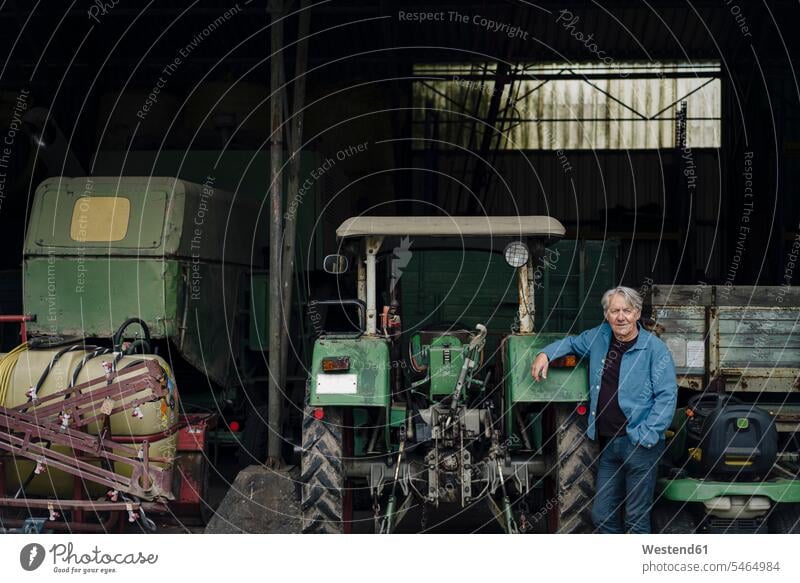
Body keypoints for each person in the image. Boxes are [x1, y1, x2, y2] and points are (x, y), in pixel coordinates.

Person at [530, 286, 677, 533]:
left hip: (640, 445)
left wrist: (646, 435)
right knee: (601, 516)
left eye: (626, 311)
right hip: (610, 445)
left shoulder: (655, 349)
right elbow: (573, 343)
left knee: (636, 519)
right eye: (614, 311)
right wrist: (545, 353)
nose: (621, 317)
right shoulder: (599, 337)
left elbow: (667, 395)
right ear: (607, 315)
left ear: (637, 313)